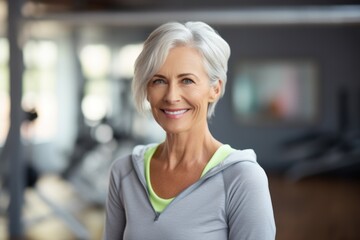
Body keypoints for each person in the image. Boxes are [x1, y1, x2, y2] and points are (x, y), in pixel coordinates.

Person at [103, 21, 276, 240]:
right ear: (147, 90)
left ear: (215, 88)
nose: (172, 96)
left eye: (187, 80)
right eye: (159, 81)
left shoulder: (242, 178)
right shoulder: (124, 172)